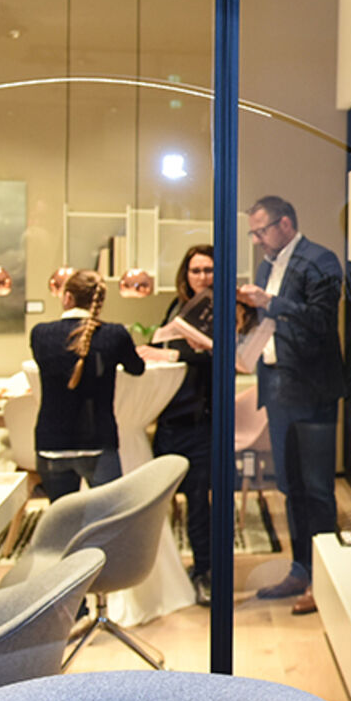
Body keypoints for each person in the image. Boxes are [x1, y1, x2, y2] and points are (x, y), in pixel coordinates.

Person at [237, 196, 344, 616]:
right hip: (278, 386)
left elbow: (321, 320)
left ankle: (325, 580)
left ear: (285, 224)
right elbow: (271, 324)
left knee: (317, 490)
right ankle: (300, 570)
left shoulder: (321, 260)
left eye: (261, 231)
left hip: (312, 390)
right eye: (253, 233)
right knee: (289, 487)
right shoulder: (267, 266)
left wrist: (269, 302)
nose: (257, 240)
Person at [31, 270, 145, 501]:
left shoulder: (40, 334)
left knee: (62, 514)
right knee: (110, 514)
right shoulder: (114, 335)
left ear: (67, 298)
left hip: (52, 442)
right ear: (99, 302)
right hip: (98, 441)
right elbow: (137, 368)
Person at [144, 245, 215, 607]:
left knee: (199, 503)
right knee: (160, 500)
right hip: (170, 418)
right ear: (185, 274)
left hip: (201, 421)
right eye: (196, 270)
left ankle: (206, 573)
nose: (202, 277)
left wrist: (173, 353)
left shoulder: (220, 310)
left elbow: (220, 356)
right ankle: (164, 575)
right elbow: (158, 344)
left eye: (208, 270)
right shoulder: (177, 307)